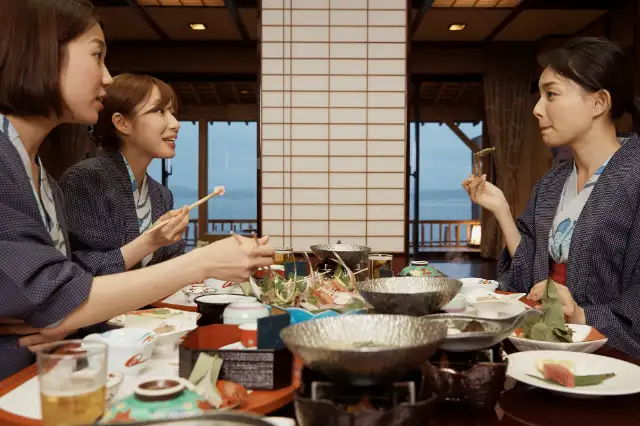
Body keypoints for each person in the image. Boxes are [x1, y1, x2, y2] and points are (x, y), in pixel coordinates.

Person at [0, 0, 274, 380]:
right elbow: (63, 289)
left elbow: (53, 298)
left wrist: (59, 314)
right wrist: (199, 260)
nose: (107, 78)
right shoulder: (79, 178)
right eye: (97, 56)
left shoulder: (45, 176)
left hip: (64, 363)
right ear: (40, 53)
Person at [462, 37, 640, 357]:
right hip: (547, 344)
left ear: (599, 102)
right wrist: (501, 210)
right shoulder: (553, 182)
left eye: (551, 94)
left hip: (611, 355)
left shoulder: (634, 175)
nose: (537, 109)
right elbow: (527, 277)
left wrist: (581, 315)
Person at [60, 74, 188, 275]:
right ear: (122, 123)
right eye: (160, 111)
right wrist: (150, 242)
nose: (175, 124)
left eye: (172, 113)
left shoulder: (162, 195)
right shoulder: (85, 179)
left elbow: (172, 259)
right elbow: (83, 269)